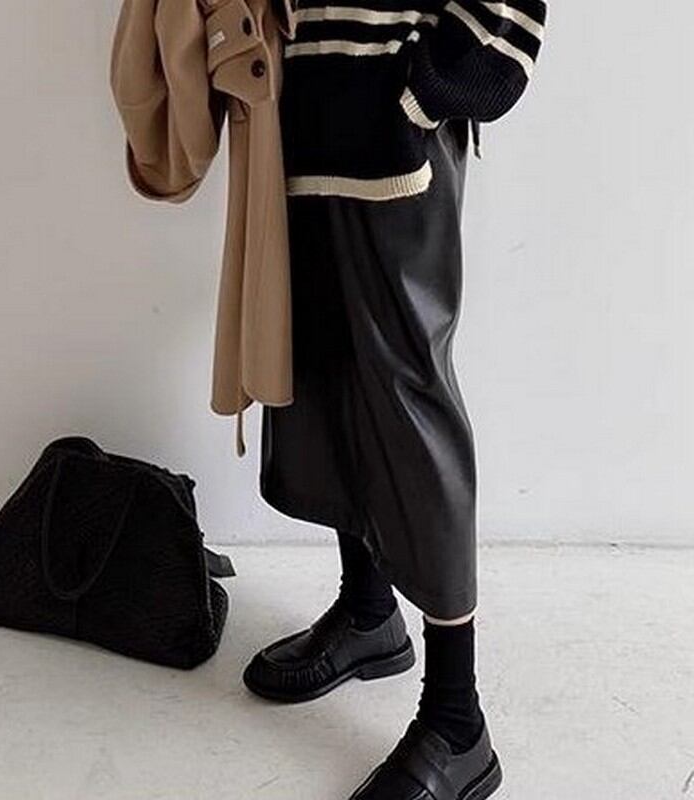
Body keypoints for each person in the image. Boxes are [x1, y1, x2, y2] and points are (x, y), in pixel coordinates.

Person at [242, 1, 547, 797]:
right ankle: (368, 612)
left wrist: (422, 93)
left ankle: (457, 720)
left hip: (393, 129)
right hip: (307, 118)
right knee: (329, 371)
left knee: (412, 398)